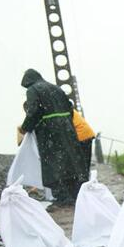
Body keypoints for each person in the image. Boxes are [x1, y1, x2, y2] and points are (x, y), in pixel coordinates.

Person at [18, 69, 86, 204]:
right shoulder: (56, 88)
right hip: (67, 128)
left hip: (50, 130)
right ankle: (75, 194)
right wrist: (66, 124)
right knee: (70, 160)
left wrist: (25, 128)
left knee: (53, 163)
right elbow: (69, 107)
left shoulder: (33, 89)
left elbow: (34, 110)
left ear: (28, 81)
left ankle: (62, 197)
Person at [72, 108, 95, 180]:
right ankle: (85, 180)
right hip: (87, 134)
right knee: (85, 164)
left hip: (81, 136)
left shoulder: (64, 110)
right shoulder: (70, 110)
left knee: (81, 164)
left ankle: (83, 182)